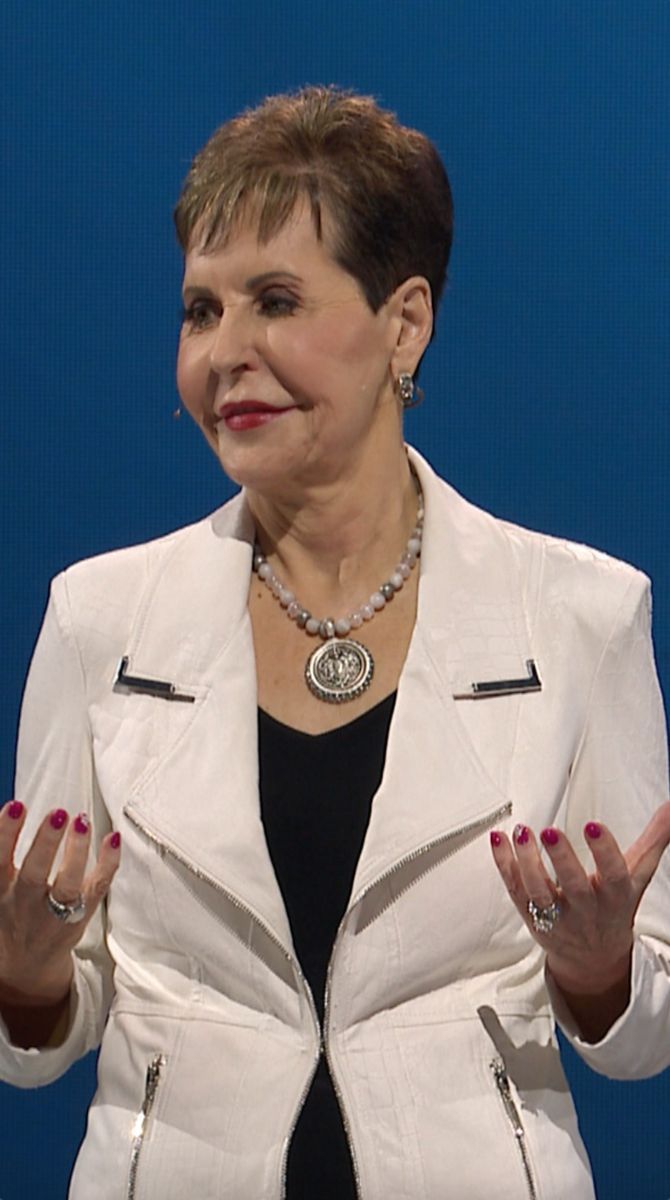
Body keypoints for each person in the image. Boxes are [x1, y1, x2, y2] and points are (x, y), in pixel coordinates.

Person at [1, 85, 669, 1200]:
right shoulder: (96, 618)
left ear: (403, 323)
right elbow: (44, 1034)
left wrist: (599, 975)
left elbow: (647, 1031)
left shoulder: (581, 616)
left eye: (274, 300)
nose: (227, 353)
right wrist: (25, 980)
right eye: (200, 311)